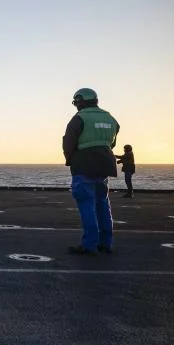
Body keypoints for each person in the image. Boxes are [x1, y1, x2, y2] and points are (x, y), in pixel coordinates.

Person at [62, 88, 120, 256]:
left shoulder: (79, 118)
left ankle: (89, 244)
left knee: (86, 203)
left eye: (76, 102)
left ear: (80, 101)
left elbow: (68, 143)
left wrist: (70, 158)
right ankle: (106, 243)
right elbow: (113, 141)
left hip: (84, 164)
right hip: (105, 164)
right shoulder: (110, 118)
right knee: (102, 203)